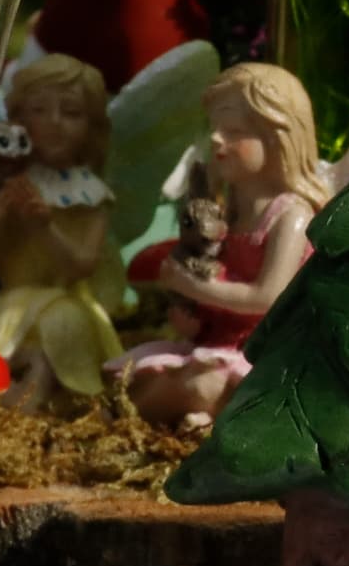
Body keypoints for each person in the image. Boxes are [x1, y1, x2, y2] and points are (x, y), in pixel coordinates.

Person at [114, 62, 330, 429]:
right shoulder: (229, 208)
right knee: (137, 375)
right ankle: (196, 417)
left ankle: (209, 418)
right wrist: (192, 317)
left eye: (233, 132)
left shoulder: (290, 216)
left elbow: (267, 298)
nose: (216, 140)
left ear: (279, 138)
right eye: (214, 130)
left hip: (264, 351)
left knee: (202, 384)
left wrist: (194, 286)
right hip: (219, 344)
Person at [0, 53, 126, 407]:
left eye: (71, 112)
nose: (54, 123)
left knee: (59, 327)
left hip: (69, 304)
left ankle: (36, 402)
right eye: (39, 111)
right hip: (13, 304)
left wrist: (44, 229)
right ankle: (4, 398)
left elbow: (83, 265)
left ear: (91, 125)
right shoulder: (13, 183)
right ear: (17, 120)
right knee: (2, 334)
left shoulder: (90, 193)